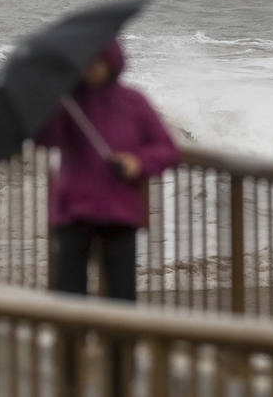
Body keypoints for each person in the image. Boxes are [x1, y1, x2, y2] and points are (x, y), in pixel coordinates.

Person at [33, 38, 179, 394]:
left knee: (121, 304)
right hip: (73, 215)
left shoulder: (134, 102)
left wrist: (137, 163)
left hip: (119, 216)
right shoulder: (69, 103)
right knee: (69, 303)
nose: (91, 68)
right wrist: (53, 101)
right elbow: (43, 138)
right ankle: (68, 381)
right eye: (86, 62)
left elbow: (167, 149)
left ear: (111, 62)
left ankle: (120, 383)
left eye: (97, 61)